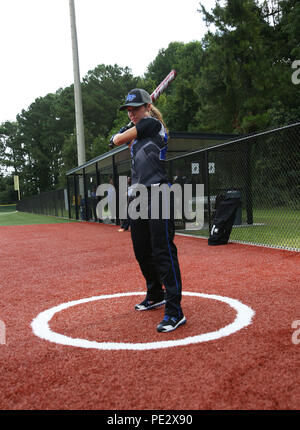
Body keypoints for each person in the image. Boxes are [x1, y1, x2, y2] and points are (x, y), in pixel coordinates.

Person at [110, 88, 186, 333]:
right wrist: (122, 131)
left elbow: (116, 140)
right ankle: (155, 294)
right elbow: (113, 139)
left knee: (163, 251)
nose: (131, 113)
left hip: (159, 193)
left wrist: (121, 133)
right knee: (141, 249)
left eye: (135, 108)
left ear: (147, 107)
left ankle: (175, 311)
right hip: (139, 196)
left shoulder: (152, 124)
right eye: (128, 110)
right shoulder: (137, 131)